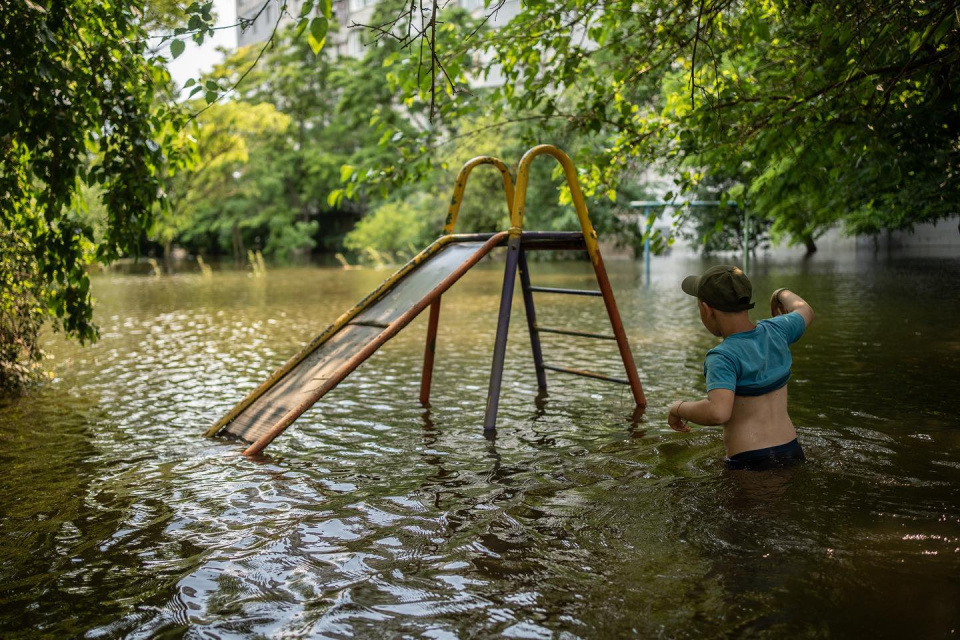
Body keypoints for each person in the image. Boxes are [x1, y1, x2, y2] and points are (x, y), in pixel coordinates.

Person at [667, 265, 814, 470]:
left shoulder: (722, 356)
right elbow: (805, 310)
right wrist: (781, 293)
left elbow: (718, 412)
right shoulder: (778, 330)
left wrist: (677, 408)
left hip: (750, 462)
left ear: (707, 310)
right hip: (792, 451)